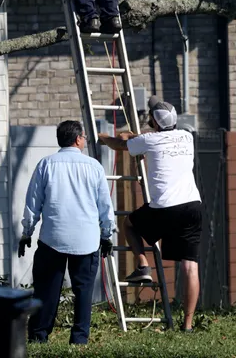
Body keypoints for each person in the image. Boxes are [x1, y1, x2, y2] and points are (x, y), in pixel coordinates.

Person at [98, 97, 202, 331]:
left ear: (154, 123)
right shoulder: (187, 136)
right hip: (193, 206)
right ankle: (187, 325)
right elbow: (154, 138)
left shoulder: (149, 140)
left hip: (165, 207)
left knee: (129, 225)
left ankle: (143, 264)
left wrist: (102, 138)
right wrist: (138, 136)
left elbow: (119, 144)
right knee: (190, 265)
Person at [19, 120, 115, 345]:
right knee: (83, 292)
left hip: (53, 238)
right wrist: (106, 234)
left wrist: (27, 232)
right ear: (78, 139)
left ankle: (38, 336)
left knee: (46, 291)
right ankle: (79, 340)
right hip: (87, 240)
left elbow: (33, 203)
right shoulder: (94, 166)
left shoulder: (46, 164)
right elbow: (104, 207)